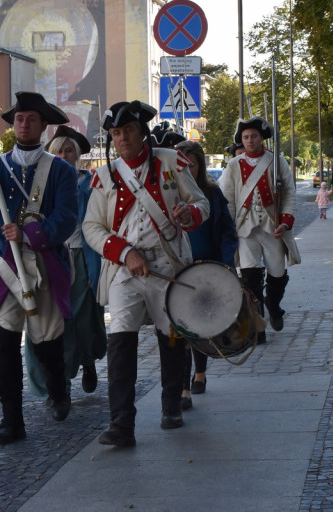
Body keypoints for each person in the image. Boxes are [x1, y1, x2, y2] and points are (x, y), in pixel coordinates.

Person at [83, 100, 210, 448]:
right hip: (125, 269)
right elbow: (92, 227)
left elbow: (202, 203)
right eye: (116, 132)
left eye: (128, 131)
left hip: (169, 265)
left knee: (172, 337)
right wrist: (124, 252)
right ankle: (121, 423)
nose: (122, 138)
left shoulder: (172, 161)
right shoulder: (104, 177)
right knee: (120, 340)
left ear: (142, 133)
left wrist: (190, 215)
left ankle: (171, 406)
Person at [0, 92, 79, 445]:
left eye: (31, 119)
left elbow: (66, 219)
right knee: (3, 344)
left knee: (46, 343)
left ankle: (59, 392)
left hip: (44, 264)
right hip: (4, 266)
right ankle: (12, 421)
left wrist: (31, 233)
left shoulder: (60, 170)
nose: (24, 124)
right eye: (19, 119)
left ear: (43, 126)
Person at [24, 126, 107, 401]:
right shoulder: (40, 184)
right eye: (58, 150)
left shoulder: (90, 182)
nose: (64, 154)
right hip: (53, 257)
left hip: (84, 257)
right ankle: (61, 383)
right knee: (58, 322)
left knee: (84, 319)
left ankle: (86, 361)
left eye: (69, 150)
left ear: (77, 154)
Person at [219, 117, 299, 342]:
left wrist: (285, 221)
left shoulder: (276, 161)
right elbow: (229, 198)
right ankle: (258, 327)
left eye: (253, 136)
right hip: (245, 227)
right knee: (249, 277)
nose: (250, 140)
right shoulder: (234, 165)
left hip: (272, 226)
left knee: (277, 274)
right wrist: (231, 225)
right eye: (245, 137)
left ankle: (273, 305)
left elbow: (290, 193)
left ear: (261, 137)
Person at [174, 140, 238, 410]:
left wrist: (225, 265)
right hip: (179, 270)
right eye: (183, 164)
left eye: (193, 163)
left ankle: (199, 372)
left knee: (201, 326)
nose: (188, 168)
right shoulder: (170, 193)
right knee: (180, 328)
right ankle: (183, 388)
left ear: (199, 165)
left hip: (207, 267)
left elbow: (226, 231)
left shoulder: (212, 194)